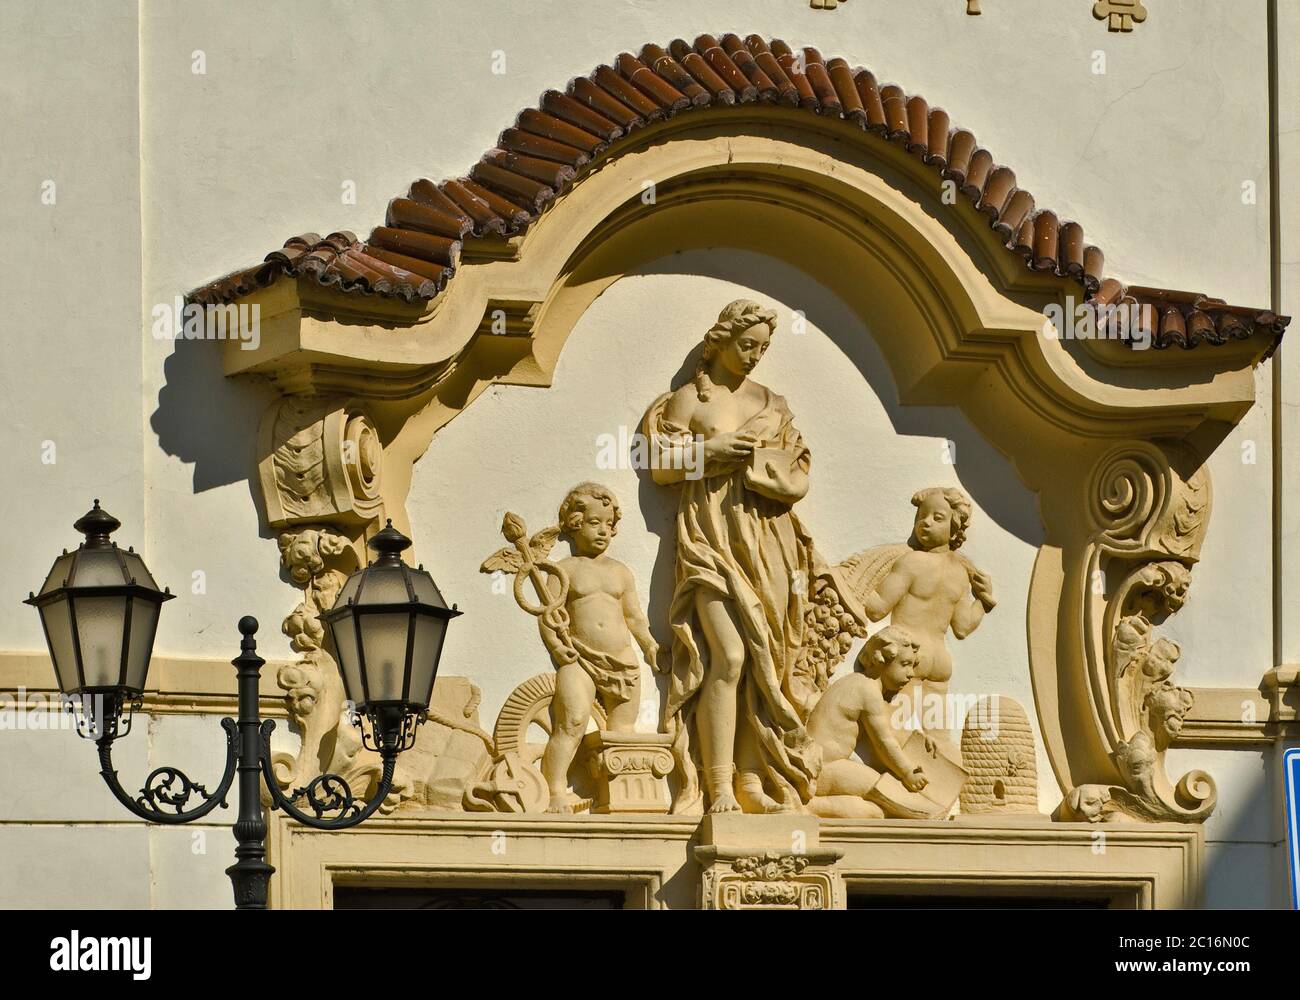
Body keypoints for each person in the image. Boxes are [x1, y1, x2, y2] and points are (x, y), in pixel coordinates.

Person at [644, 299, 822, 814]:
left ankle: (750, 778)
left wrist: (772, 469)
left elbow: (800, 471)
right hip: (710, 538)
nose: (755, 356)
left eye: (764, 347)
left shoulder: (773, 403)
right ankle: (717, 783)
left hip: (769, 539)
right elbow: (661, 466)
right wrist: (715, 454)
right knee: (731, 654)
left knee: (768, 661)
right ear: (721, 340)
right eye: (747, 345)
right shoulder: (688, 401)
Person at [537, 483, 658, 813]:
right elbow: (549, 615)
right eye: (594, 523)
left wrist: (649, 646)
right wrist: (557, 647)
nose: (603, 531)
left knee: (623, 731)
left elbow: (634, 617)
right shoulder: (564, 570)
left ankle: (616, 797)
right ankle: (555, 790)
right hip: (580, 658)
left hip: (622, 661)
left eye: (608, 524)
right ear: (575, 524)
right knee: (572, 721)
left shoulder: (621, 572)